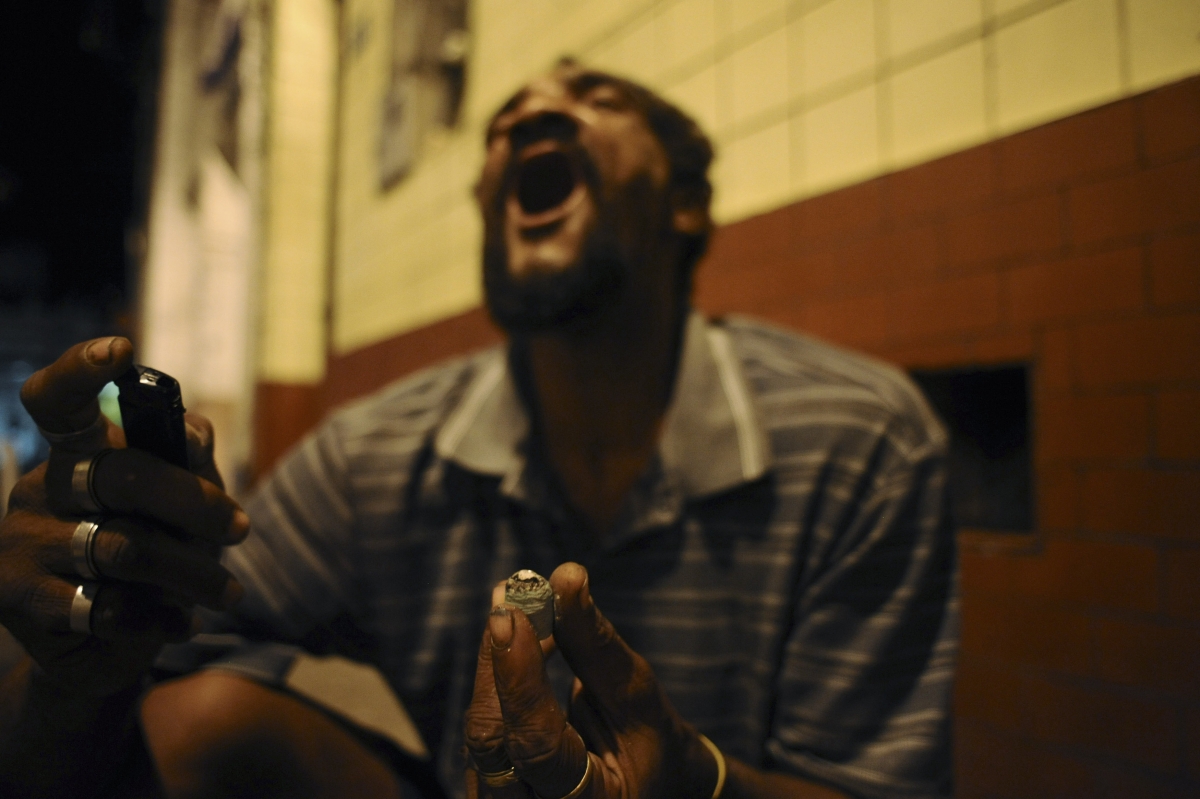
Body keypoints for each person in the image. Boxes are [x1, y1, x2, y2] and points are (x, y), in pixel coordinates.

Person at [0, 62, 957, 798]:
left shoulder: (859, 437)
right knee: (206, 721)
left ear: (685, 202)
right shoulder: (372, 459)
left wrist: (702, 783)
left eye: (595, 97)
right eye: (501, 128)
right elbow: (133, 676)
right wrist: (86, 625)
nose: (524, 118)